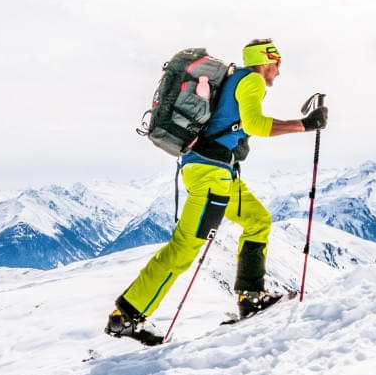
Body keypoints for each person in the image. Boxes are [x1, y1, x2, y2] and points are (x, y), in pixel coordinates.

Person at [105, 38, 328, 344]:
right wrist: (304, 125)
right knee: (184, 249)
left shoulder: (236, 79)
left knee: (257, 220)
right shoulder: (251, 80)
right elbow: (256, 124)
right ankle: (126, 317)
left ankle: (251, 296)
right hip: (211, 174)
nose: (278, 71)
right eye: (277, 63)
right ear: (266, 61)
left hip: (216, 171)